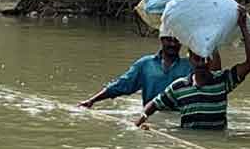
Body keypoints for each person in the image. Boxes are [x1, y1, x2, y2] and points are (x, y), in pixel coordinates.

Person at [134, 6, 250, 130]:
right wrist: (141, 118)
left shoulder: (223, 81)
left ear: (211, 61)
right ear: (190, 60)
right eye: (196, 59)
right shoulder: (179, 87)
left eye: (205, 59)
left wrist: (243, 27)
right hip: (188, 141)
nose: (201, 64)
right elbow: (154, 104)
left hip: (217, 141)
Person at [77, 35, 220, 110]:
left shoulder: (191, 65)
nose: (172, 44)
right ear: (161, 40)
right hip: (152, 115)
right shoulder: (146, 64)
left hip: (179, 116)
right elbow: (121, 85)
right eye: (168, 40)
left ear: (181, 42)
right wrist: (92, 100)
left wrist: (212, 42)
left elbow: (215, 76)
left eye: (176, 40)